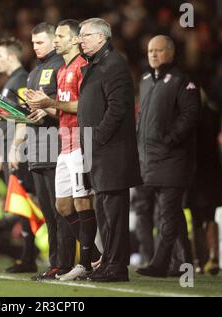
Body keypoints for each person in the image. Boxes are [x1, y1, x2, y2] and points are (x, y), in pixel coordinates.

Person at [25, 19, 100, 281]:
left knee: (81, 201)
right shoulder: (61, 71)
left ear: (75, 40)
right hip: (64, 144)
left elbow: (84, 107)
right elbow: (60, 109)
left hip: (79, 142)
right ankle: (95, 254)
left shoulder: (83, 68)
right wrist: (43, 108)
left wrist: (49, 102)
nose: (56, 40)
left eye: (60, 36)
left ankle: (87, 261)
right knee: (62, 205)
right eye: (54, 36)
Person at [76, 18, 142, 282]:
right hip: (99, 152)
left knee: (114, 213)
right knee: (105, 213)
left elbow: (118, 108)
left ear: (101, 38)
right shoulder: (96, 66)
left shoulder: (113, 64)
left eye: (84, 35)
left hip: (111, 152)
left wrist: (98, 138)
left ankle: (116, 267)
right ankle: (108, 263)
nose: (80, 39)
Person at [10, 22, 76, 280]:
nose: (35, 47)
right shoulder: (34, 72)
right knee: (49, 212)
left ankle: (66, 263)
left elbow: (67, 107)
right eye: (33, 42)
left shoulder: (62, 67)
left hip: (56, 145)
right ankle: (56, 263)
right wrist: (8, 114)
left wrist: (47, 109)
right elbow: (30, 113)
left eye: (40, 42)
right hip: (37, 149)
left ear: (53, 41)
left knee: (62, 210)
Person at [135, 35, 200, 278]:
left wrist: (170, 140)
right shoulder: (144, 80)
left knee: (168, 212)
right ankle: (186, 262)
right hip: (150, 160)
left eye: (159, 50)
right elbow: (143, 118)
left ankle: (160, 262)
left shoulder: (183, 80)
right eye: (150, 50)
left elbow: (191, 116)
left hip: (174, 159)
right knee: (171, 213)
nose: (153, 54)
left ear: (171, 53)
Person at [0, 37, 38, 273]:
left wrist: (13, 148)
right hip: (12, 149)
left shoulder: (21, 80)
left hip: (21, 151)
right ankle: (29, 254)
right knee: (22, 203)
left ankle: (31, 255)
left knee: (27, 202)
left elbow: (23, 118)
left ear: (11, 57)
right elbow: (10, 119)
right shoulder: (12, 81)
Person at [186, 89, 222, 275]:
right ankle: (213, 258)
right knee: (210, 215)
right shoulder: (213, 113)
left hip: (196, 171)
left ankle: (200, 260)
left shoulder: (190, 115)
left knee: (196, 216)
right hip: (212, 171)